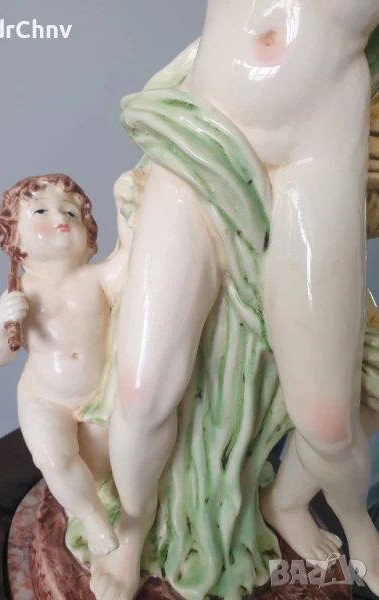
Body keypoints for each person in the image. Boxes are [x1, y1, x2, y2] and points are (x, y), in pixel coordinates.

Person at [90, 2, 379, 598]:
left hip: (313, 158)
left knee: (327, 420)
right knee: (142, 391)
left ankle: (347, 523)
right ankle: (133, 525)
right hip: (200, 136)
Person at [0, 172, 137, 557]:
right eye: (40, 211)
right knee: (54, 458)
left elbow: (131, 261)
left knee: (103, 466)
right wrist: (1, 325)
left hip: (99, 397)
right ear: (15, 239)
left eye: (71, 212)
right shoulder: (20, 294)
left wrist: (130, 211)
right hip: (45, 399)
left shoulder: (96, 278)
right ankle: (92, 519)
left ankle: (109, 505)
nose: (61, 218)